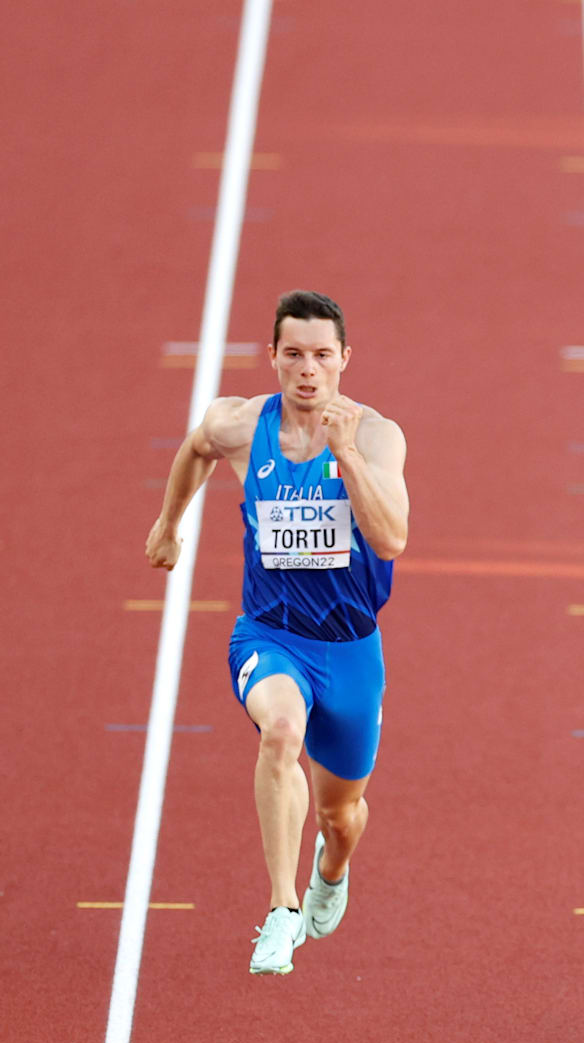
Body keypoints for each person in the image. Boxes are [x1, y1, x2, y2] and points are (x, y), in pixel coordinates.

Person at [145, 291, 408, 975]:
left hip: (351, 653)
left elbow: (392, 537)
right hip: (270, 635)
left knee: (339, 815)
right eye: (293, 354)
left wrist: (346, 457)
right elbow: (196, 448)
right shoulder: (240, 424)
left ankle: (331, 868)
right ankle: (281, 909)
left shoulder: (377, 435)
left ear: (345, 360)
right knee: (280, 734)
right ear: (273, 358)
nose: (308, 370)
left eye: (322, 355)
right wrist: (169, 523)